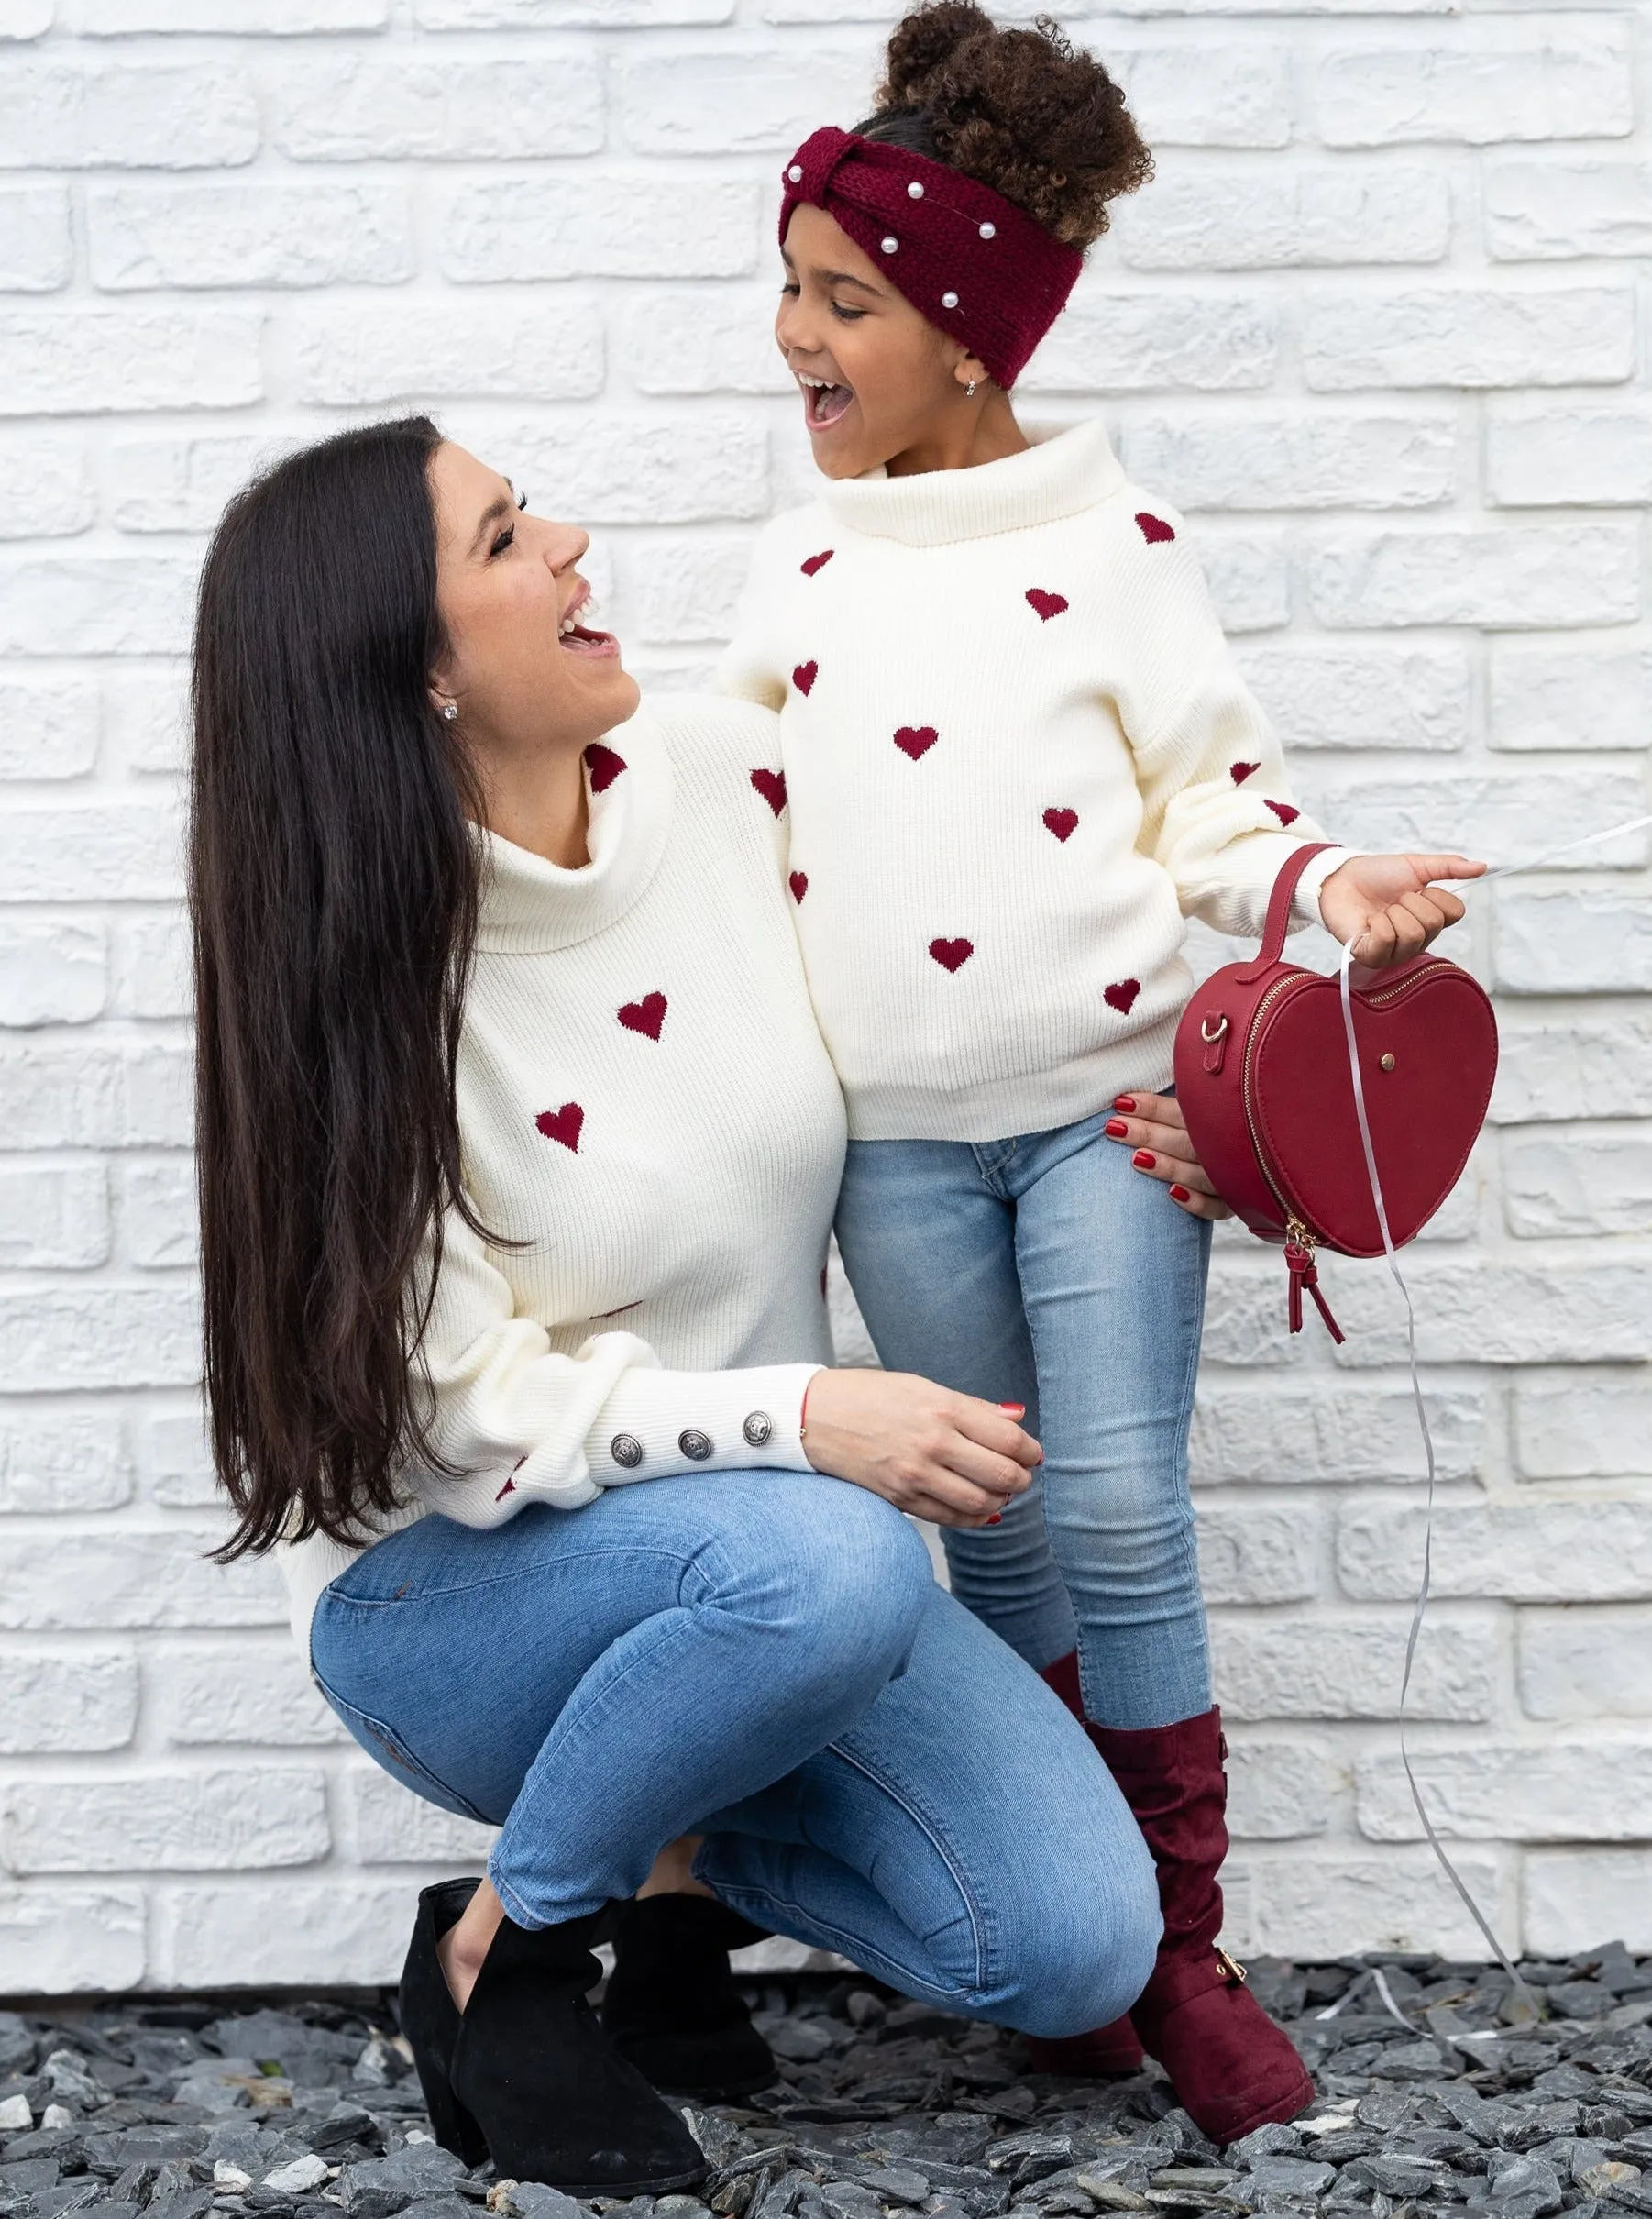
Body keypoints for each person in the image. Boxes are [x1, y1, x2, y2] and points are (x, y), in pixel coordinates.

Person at [186, 416, 1163, 2198]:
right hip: (469, 1601)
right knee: (838, 1554)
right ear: (416, 669)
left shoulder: (734, 782)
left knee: (1071, 1948)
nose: (569, 540)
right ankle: (514, 1949)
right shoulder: (370, 988)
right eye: (501, 537)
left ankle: (661, 1870)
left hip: (775, 1583)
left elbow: (990, 917)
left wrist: (1146, 1076)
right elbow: (459, 1412)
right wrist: (803, 1419)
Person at [716, 0, 1484, 2144]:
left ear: (969, 330)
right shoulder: (793, 566)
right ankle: (1101, 1948)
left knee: (1125, 1504)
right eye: (785, 282)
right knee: (1007, 1543)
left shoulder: (1116, 552)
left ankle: (1179, 1949)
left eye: (839, 297)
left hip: (1104, 1122)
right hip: (895, 1152)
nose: (791, 332)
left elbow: (1221, 813)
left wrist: (1332, 886)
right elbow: (722, 827)